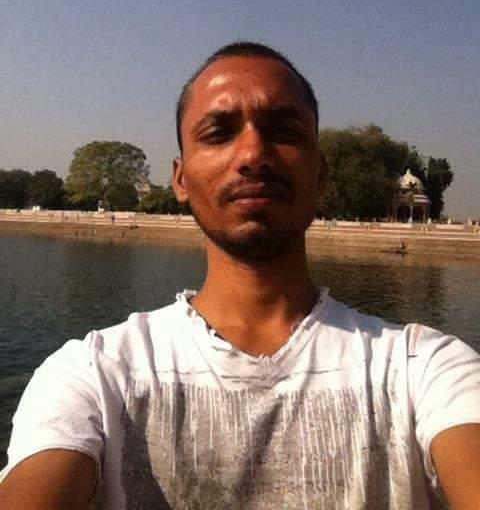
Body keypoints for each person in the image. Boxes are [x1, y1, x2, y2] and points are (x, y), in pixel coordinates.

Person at [1, 42, 480, 509]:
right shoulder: (96, 375)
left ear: (320, 173)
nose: (253, 153)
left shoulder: (423, 368)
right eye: (218, 134)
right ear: (181, 178)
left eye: (284, 131)